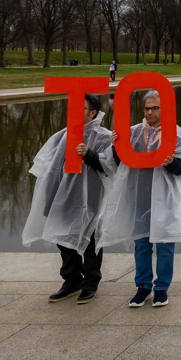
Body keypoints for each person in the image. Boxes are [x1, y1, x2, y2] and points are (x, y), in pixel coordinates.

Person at [97, 90, 181, 309]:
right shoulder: (132, 133)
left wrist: (170, 162)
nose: (150, 112)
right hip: (138, 197)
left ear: (165, 109)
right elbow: (116, 162)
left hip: (164, 199)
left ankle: (161, 288)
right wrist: (115, 145)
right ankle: (143, 286)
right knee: (141, 244)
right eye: (147, 108)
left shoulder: (176, 134)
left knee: (164, 245)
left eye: (155, 108)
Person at [22, 93, 112, 304]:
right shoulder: (60, 136)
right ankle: (71, 280)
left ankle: (90, 283)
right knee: (63, 239)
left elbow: (111, 167)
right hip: (62, 197)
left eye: (79, 109)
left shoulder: (104, 137)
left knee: (90, 240)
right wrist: (49, 199)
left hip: (90, 197)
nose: (73, 114)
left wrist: (90, 154)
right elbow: (48, 169)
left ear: (93, 113)